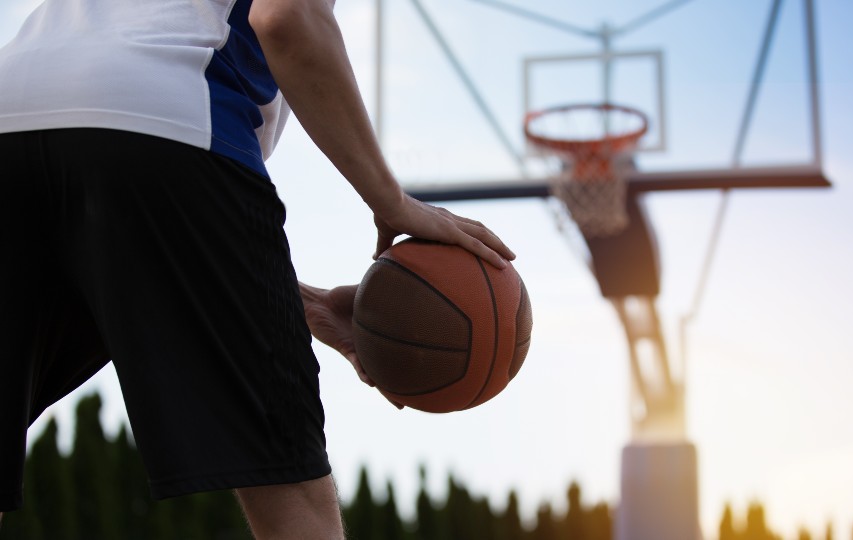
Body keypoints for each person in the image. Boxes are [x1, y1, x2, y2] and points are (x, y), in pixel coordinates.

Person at [0, 0, 514, 537]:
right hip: (174, 109)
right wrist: (393, 202)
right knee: (289, 486)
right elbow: (286, 16)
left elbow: (160, 240)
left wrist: (303, 306)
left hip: (11, 105)